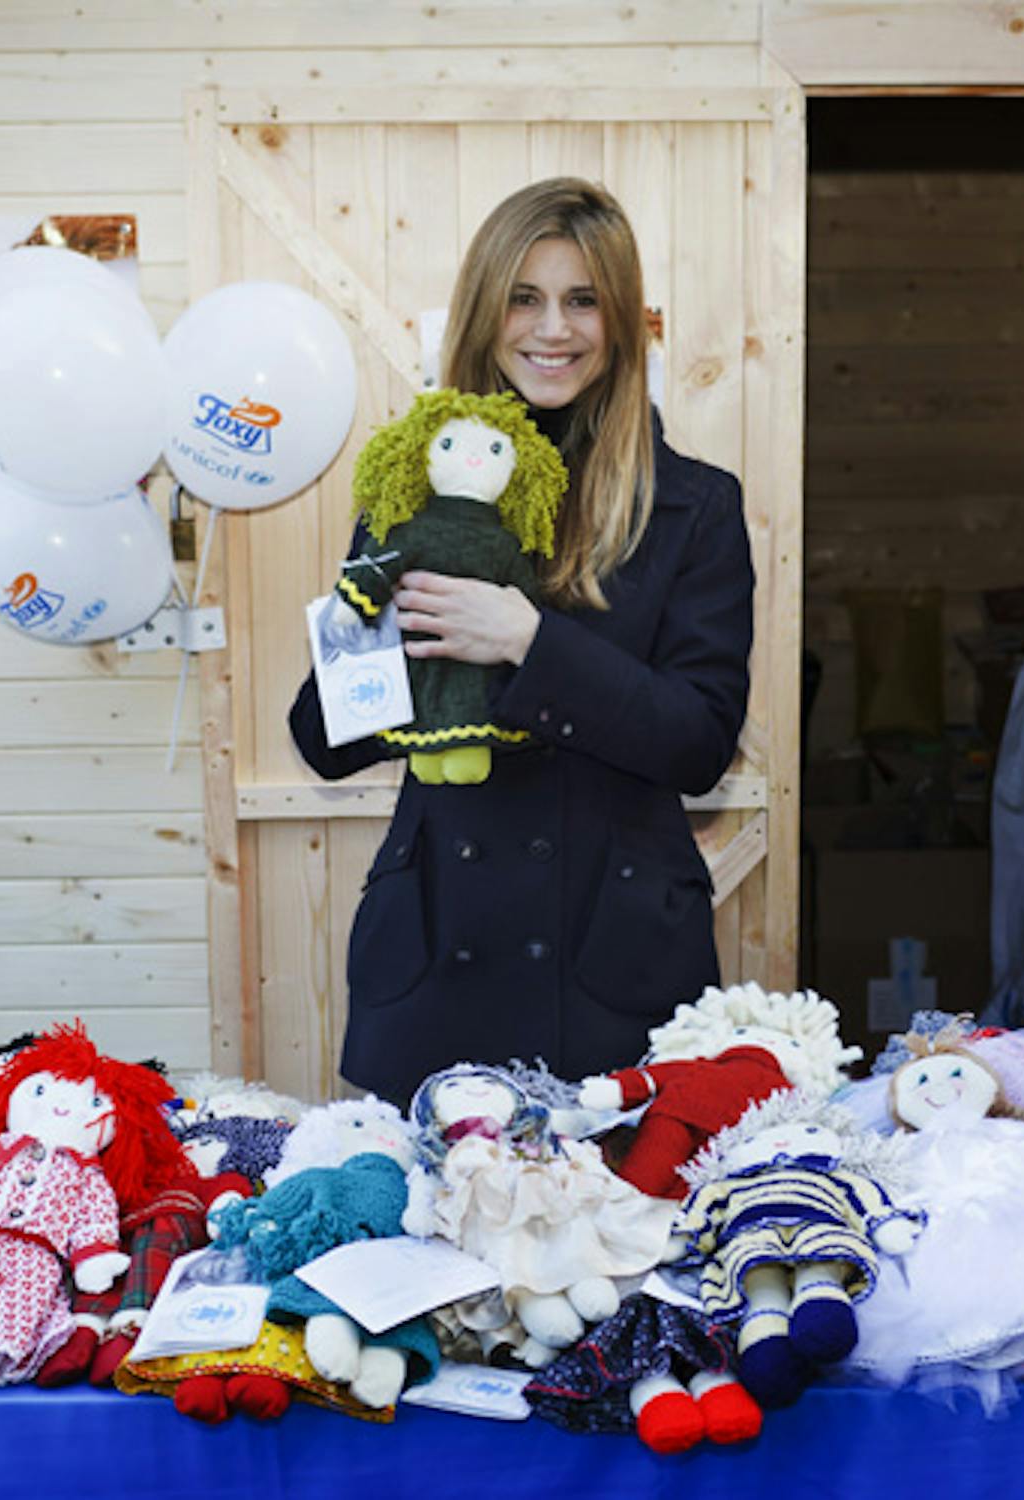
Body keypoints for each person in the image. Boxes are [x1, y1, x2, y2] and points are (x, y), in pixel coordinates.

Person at [288, 177, 756, 1106]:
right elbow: (323, 743)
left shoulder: (694, 505)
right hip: (435, 960)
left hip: (612, 970)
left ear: (621, 321)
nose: (554, 329)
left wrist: (529, 642)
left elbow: (699, 745)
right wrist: (387, 626)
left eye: (583, 300)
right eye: (525, 298)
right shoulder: (411, 492)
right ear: (484, 314)